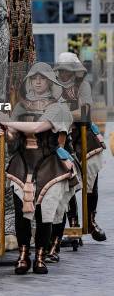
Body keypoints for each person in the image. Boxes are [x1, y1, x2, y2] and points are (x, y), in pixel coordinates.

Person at [0, 63, 77, 276]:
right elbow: (14, 140)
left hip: (49, 163)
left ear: (51, 82)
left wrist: (10, 124)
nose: (38, 82)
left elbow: (37, 127)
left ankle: (40, 255)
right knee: (20, 214)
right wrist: (6, 131)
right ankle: (23, 254)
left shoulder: (59, 107)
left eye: (43, 78)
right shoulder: (21, 106)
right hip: (21, 163)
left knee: (45, 213)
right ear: (30, 81)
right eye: (34, 78)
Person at [51, 52, 106, 249]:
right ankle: (72, 224)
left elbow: (85, 112)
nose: (64, 74)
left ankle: (90, 221)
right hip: (61, 135)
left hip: (83, 137)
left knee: (90, 175)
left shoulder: (83, 85)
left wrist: (64, 113)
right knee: (68, 179)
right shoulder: (54, 84)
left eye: (68, 70)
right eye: (62, 70)